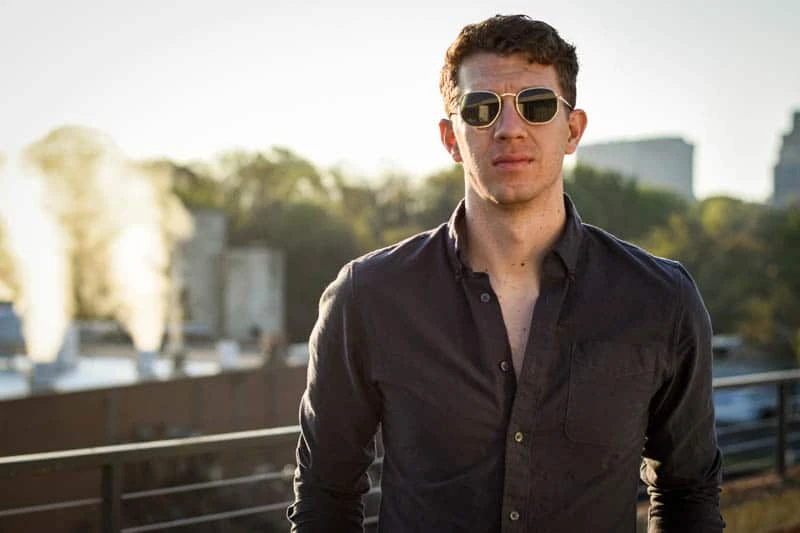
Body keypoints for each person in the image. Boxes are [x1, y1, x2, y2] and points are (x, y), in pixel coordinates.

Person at [288, 14, 724, 533]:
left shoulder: (660, 300)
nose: (509, 128)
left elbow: (688, 495)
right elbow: (324, 499)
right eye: (481, 108)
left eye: (536, 107)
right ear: (452, 138)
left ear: (573, 130)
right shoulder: (367, 297)